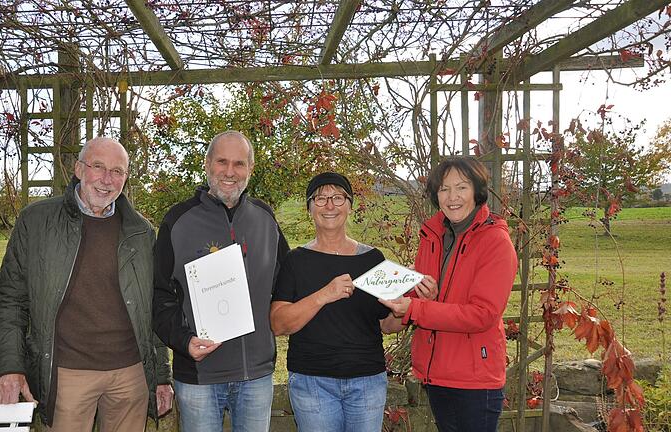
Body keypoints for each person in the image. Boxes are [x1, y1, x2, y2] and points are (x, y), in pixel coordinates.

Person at [0, 137, 173, 432]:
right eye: (98, 167)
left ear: (126, 179)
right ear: (78, 169)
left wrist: (161, 376)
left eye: (117, 171)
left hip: (130, 376)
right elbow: (11, 299)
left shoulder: (140, 232)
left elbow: (152, 307)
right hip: (67, 374)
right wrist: (11, 367)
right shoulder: (36, 222)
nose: (107, 180)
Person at [269, 172, 434, 432]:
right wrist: (324, 295)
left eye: (338, 197)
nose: (330, 205)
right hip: (313, 381)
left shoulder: (372, 260)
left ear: (350, 205)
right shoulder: (295, 260)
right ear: (309, 208)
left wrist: (413, 303)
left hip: (367, 381)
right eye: (320, 199)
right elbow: (279, 324)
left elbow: (388, 325)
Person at [152, 130, 289, 432]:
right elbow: (160, 296)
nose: (230, 172)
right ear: (207, 164)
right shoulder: (177, 221)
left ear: (251, 169)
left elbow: (287, 286)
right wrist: (184, 341)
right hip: (199, 377)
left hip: (256, 375)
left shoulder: (266, 220)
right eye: (222, 162)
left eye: (239, 164)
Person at [381, 156, 517, 432]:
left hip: (474, 378)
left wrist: (416, 309)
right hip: (437, 372)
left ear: (477, 192)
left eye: (462, 187)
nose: (452, 197)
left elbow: (483, 314)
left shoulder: (495, 242)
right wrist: (415, 293)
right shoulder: (433, 236)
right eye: (444, 189)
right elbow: (431, 298)